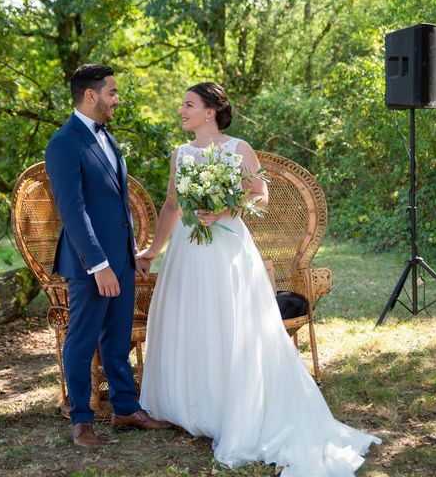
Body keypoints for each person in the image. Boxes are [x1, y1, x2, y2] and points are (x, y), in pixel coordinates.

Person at [137, 82, 381, 476]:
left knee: (228, 321)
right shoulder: (180, 154)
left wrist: (222, 211)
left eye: (188, 104)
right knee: (191, 319)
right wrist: (152, 251)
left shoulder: (238, 149)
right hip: (186, 247)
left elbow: (260, 195)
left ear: (211, 111)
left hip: (225, 248)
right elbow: (171, 204)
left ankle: (233, 407)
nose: (181, 110)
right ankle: (190, 404)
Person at [45, 64, 170, 449]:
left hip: (122, 258)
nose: (117, 99)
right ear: (90, 95)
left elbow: (114, 203)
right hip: (90, 264)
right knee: (82, 341)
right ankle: (81, 420)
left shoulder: (107, 139)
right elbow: (73, 209)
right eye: (112, 92)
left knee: (116, 338)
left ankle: (125, 408)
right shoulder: (64, 142)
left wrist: (132, 256)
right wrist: (98, 265)